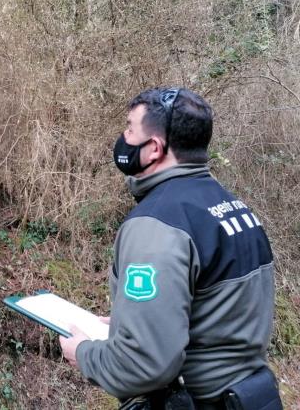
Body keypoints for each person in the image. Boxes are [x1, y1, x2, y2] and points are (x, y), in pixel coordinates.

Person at [59, 88, 281, 409]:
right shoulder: (233, 207)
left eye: (130, 128)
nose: (123, 136)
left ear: (153, 149)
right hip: (252, 397)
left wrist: (83, 352)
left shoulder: (156, 225)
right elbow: (216, 316)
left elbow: (143, 365)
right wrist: (132, 321)